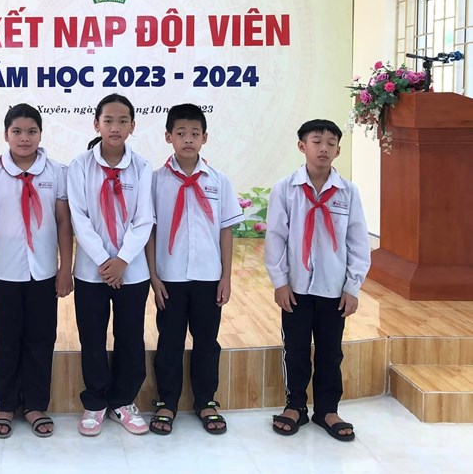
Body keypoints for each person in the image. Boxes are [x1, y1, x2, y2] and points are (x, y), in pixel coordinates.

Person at [0, 104, 74, 439]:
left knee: (41, 338)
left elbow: (63, 222)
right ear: (6, 135)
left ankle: (35, 404)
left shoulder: (57, 173)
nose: (24, 138)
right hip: (4, 271)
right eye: (17, 131)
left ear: (41, 134)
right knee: (7, 339)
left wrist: (65, 268)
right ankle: (5, 403)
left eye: (31, 131)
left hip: (43, 271)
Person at [265, 119, 371, 441]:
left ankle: (327, 409)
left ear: (338, 150)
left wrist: (352, 286)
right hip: (296, 288)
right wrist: (280, 281)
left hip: (333, 289)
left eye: (331, 143)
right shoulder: (286, 189)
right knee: (295, 349)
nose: (323, 148)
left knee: (330, 352)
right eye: (316, 141)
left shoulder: (348, 192)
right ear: (302, 146)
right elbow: (276, 237)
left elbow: (358, 242)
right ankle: (295, 405)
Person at [145, 103, 243, 436]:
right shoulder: (155, 181)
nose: (188, 139)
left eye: (195, 134)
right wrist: (154, 277)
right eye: (181, 133)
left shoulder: (219, 180)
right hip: (169, 278)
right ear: (168, 137)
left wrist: (225, 276)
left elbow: (225, 230)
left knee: (207, 341)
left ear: (205, 138)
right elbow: (150, 230)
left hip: (208, 277)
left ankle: (206, 401)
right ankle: (167, 401)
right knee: (169, 341)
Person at [66, 93, 154, 437]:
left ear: (132, 126)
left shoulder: (142, 168)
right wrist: (105, 260)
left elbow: (144, 219)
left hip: (132, 271)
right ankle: (95, 402)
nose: (115, 127)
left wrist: (122, 260)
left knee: (130, 337)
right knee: (92, 336)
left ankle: (123, 401)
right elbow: (79, 217)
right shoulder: (79, 166)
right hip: (92, 271)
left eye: (122, 121)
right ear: (96, 124)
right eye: (108, 121)